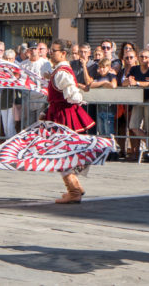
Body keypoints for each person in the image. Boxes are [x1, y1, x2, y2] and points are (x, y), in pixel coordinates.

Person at [43, 39, 95, 204]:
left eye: (54, 50)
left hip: (63, 116)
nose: (51, 53)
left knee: (60, 153)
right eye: (51, 50)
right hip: (60, 113)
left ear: (63, 53)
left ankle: (73, 191)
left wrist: (75, 99)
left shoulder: (62, 72)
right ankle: (76, 188)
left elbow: (74, 95)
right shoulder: (59, 70)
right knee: (62, 152)